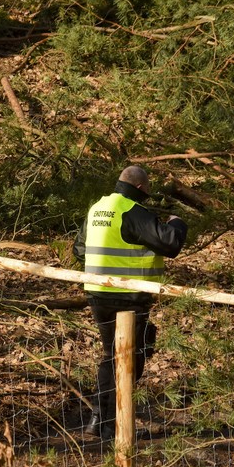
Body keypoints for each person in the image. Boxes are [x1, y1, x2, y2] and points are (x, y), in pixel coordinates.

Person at [73, 165, 187, 440]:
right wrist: (177, 222)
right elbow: (170, 243)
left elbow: (79, 250)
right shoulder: (132, 210)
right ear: (140, 188)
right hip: (129, 296)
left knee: (110, 355)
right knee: (130, 358)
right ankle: (116, 426)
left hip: (97, 293)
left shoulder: (98, 208)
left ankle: (98, 420)